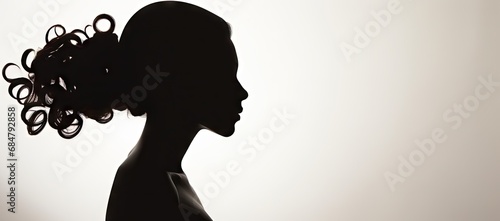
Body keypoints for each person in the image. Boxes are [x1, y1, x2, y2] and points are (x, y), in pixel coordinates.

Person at [2, 1, 248, 220]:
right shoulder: (149, 189)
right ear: (175, 81)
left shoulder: (163, 176)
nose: (242, 92)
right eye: (223, 76)